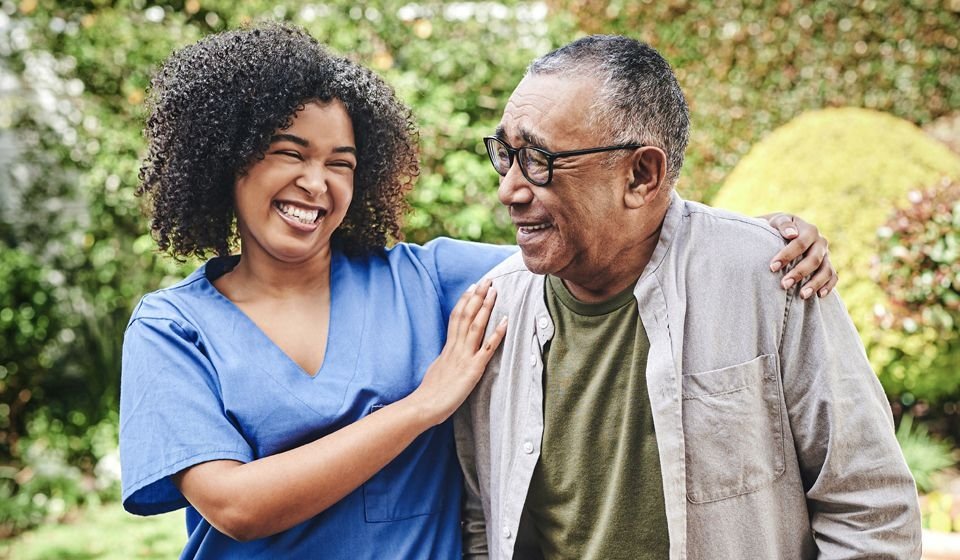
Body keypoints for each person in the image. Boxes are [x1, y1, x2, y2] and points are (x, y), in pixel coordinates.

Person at [119, 24, 836, 559]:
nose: (318, 183)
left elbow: (599, 236)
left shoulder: (428, 279)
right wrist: (422, 407)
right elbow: (236, 506)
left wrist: (761, 236)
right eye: (290, 153)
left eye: (341, 162)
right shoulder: (173, 327)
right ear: (226, 160)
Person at [455, 35, 921, 560]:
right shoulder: (493, 311)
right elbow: (483, 517)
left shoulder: (774, 278)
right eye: (507, 155)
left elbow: (870, 509)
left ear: (641, 175)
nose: (509, 190)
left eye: (539, 160)